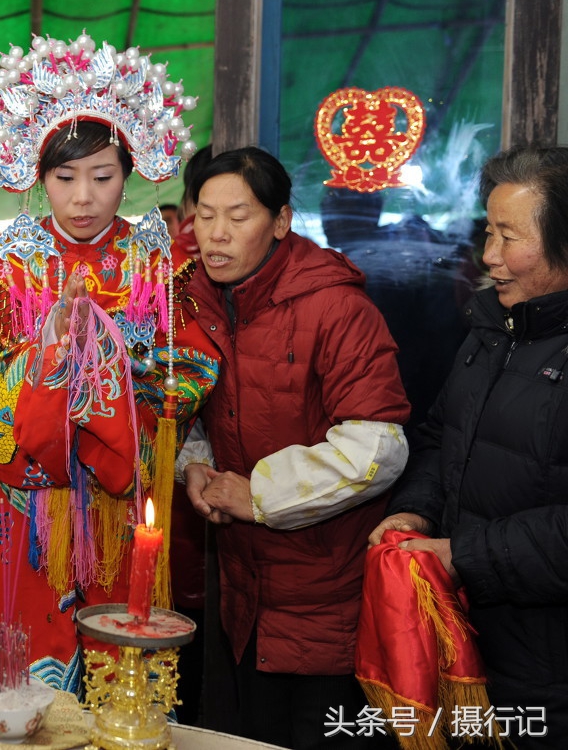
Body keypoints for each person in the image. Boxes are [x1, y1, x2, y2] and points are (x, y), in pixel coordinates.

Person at [0, 33, 219, 695]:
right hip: (21, 508)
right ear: (38, 179)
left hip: (119, 506)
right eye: (64, 178)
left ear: (127, 175)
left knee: (118, 689)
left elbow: (192, 368)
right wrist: (46, 364)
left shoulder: (159, 266)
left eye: (103, 178)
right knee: (21, 691)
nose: (83, 197)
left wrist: (108, 371)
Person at [180, 146, 409, 749]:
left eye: (239, 215)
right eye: (205, 215)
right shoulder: (198, 302)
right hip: (244, 590)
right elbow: (199, 411)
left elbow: (377, 446)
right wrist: (196, 466)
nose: (218, 234)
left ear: (281, 222)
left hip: (324, 595)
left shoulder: (337, 307)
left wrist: (254, 492)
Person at [369, 145, 568, 748]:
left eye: (510, 237)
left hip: (549, 674)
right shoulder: (492, 332)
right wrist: (414, 510)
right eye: (488, 232)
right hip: (466, 644)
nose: (490, 257)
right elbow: (439, 437)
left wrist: (464, 555)